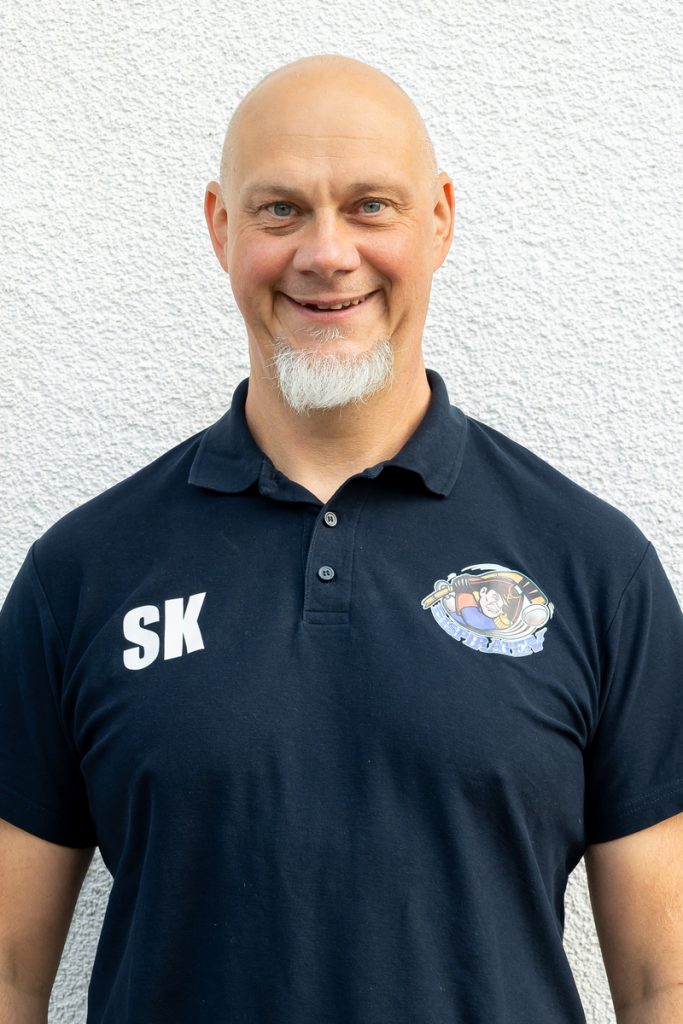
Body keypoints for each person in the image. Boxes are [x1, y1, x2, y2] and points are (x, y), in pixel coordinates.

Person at [0, 54, 681, 1024]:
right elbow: (9, 973)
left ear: (437, 220)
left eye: (370, 206)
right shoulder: (83, 573)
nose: (326, 253)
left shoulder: (594, 567)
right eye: (280, 210)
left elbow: (663, 982)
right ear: (221, 226)